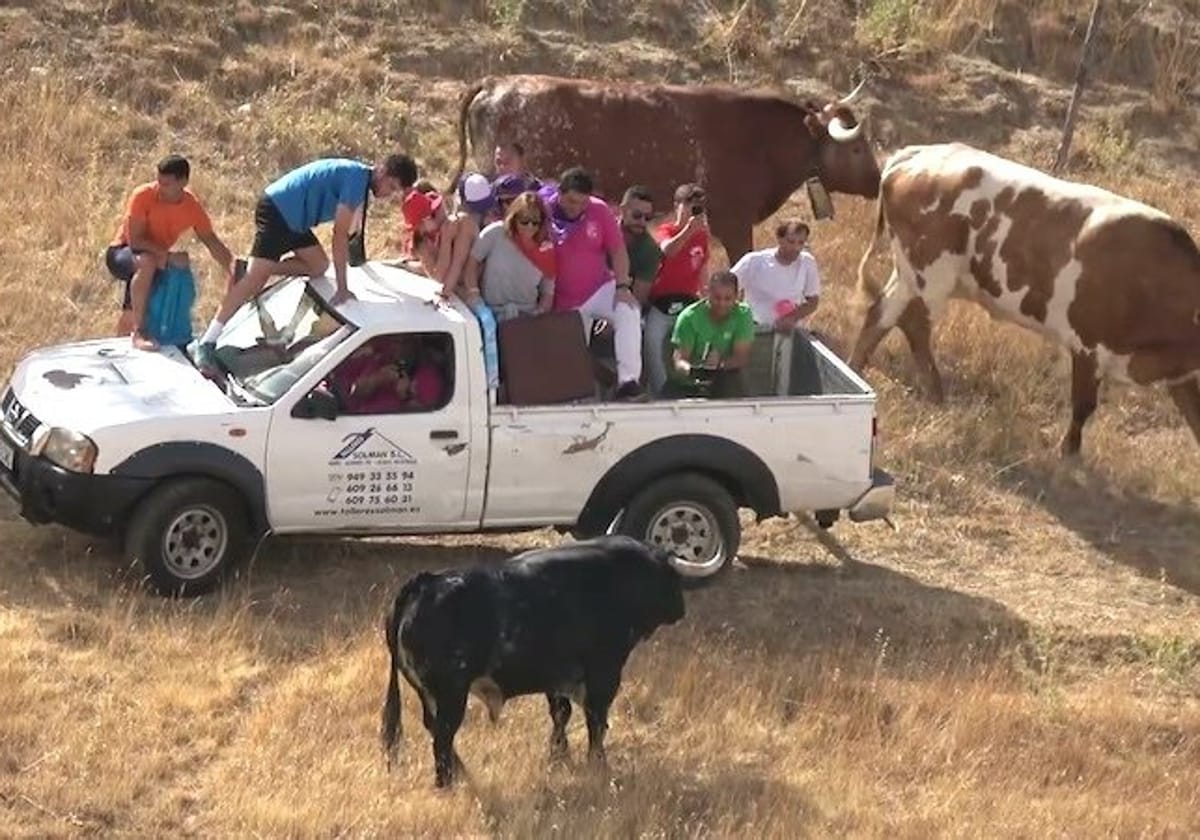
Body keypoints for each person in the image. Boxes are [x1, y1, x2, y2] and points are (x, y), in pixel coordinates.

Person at [191, 153, 419, 375]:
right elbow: (339, 235)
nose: (389, 194)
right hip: (279, 210)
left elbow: (353, 238)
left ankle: (253, 267)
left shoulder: (360, 182)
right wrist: (342, 287)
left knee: (318, 266)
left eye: (395, 191)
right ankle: (206, 341)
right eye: (391, 186)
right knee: (254, 281)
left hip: (296, 220)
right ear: (381, 171)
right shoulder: (356, 180)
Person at [105, 154, 235, 349]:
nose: (160, 188)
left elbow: (211, 241)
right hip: (122, 252)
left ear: (183, 182)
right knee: (148, 262)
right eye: (158, 181)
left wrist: (233, 268)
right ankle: (139, 332)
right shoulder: (143, 195)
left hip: (152, 258)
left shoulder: (191, 206)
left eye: (166, 184)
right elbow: (136, 240)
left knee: (138, 304)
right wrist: (167, 256)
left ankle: (123, 346)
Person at [546, 166, 644, 401]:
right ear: (559, 193)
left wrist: (622, 286)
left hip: (599, 288)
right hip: (563, 301)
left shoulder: (599, 211)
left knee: (629, 310)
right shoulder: (543, 211)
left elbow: (618, 250)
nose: (575, 208)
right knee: (571, 367)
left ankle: (628, 383)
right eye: (570, 201)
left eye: (581, 203)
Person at [402, 173, 500, 390]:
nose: (439, 213)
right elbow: (438, 275)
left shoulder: (462, 224)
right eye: (432, 214)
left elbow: (456, 265)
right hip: (454, 292)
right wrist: (445, 242)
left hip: (471, 290)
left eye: (437, 208)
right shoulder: (422, 242)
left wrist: (446, 291)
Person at [730, 219, 823, 396]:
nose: (796, 248)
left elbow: (813, 300)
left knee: (786, 382)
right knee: (755, 380)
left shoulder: (807, 263)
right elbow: (727, 287)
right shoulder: (755, 262)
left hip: (788, 333)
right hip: (756, 331)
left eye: (801, 243)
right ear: (779, 239)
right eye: (791, 241)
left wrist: (792, 317)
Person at [643, 183, 712, 395]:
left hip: (689, 303)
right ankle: (659, 390)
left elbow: (702, 269)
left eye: (698, 207)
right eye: (689, 205)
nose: (692, 211)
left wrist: (708, 297)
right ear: (677, 206)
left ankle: (697, 386)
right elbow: (668, 251)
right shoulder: (665, 230)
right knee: (652, 343)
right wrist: (688, 230)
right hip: (661, 302)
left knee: (704, 341)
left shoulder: (702, 237)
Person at [464, 191, 556, 322]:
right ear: (514, 217)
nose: (530, 226)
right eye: (524, 221)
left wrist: (539, 313)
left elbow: (548, 291)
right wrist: (474, 295)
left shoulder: (546, 248)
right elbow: (472, 262)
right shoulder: (495, 233)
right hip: (491, 313)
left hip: (527, 316)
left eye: (535, 222)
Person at [666, 271, 755, 399]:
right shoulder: (689, 317)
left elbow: (741, 358)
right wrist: (694, 370)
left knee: (733, 380)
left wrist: (718, 365)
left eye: (728, 298)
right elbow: (679, 360)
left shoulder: (743, 314)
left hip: (725, 376)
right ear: (708, 293)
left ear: (737, 297)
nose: (722, 304)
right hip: (690, 380)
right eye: (717, 297)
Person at [331, 334, 446, 414]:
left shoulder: (428, 376)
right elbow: (353, 392)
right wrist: (377, 379)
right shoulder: (378, 359)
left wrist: (405, 396)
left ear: (416, 344)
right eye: (396, 341)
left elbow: (426, 417)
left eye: (405, 342)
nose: (399, 347)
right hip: (350, 418)